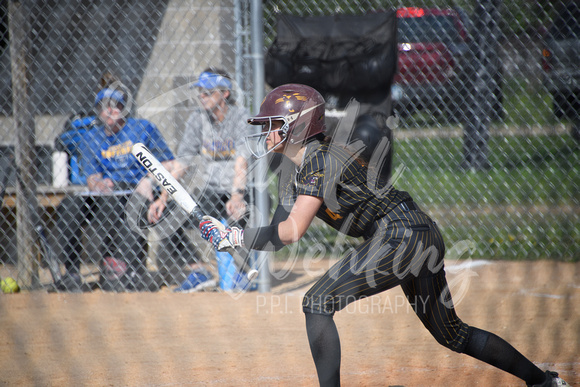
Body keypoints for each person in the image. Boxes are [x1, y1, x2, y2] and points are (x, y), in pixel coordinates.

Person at [198, 84, 569, 386]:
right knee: (452, 335)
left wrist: (234, 235)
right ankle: (544, 383)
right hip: (417, 233)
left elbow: (293, 231)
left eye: (272, 123)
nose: (264, 132)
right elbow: (277, 235)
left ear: (295, 125)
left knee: (317, 302)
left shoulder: (318, 159)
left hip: (399, 235)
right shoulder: (299, 170)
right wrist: (231, 235)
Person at [54, 85, 175, 292]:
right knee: (69, 206)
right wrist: (100, 184)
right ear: (98, 112)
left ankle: (132, 272)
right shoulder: (91, 138)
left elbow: (168, 164)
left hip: (137, 189)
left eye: (115, 106)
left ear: (124, 108)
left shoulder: (143, 128)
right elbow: (92, 178)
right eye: (104, 107)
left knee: (131, 207)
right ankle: (72, 274)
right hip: (106, 195)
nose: (109, 111)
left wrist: (150, 180)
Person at [147, 68, 252, 292]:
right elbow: (181, 164)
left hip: (241, 190)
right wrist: (163, 198)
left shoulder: (241, 117)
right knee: (164, 214)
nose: (201, 96)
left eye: (207, 92)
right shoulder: (197, 119)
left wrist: (236, 196)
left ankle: (242, 274)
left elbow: (241, 162)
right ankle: (198, 271)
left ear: (224, 93)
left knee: (238, 212)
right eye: (200, 92)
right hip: (211, 191)